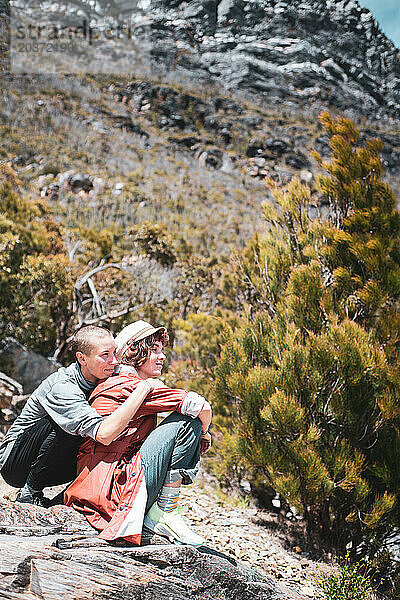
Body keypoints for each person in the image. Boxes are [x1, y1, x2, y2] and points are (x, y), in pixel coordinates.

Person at [65, 320, 212, 547]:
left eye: (162, 350)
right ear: (134, 352)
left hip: (102, 487)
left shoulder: (121, 381)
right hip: (111, 494)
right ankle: (165, 511)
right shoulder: (130, 384)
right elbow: (201, 406)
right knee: (186, 422)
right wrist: (204, 433)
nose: (162, 357)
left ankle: (162, 512)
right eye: (154, 350)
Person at [0, 325, 164, 507]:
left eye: (114, 353)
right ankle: (30, 493)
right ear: (82, 358)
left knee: (94, 441)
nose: (114, 361)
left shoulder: (104, 375)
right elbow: (103, 433)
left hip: (51, 461)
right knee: (70, 423)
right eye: (105, 355)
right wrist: (144, 388)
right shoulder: (64, 386)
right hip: (14, 462)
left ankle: (69, 499)